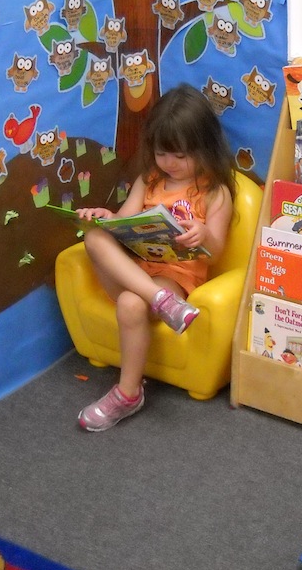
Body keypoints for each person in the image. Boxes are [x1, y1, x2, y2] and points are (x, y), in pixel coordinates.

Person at [74, 83, 236, 432]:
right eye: (163, 154)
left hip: (174, 281)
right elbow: (124, 222)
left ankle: (128, 394)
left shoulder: (215, 193)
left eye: (181, 156)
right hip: (136, 272)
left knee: (132, 305)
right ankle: (157, 301)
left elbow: (217, 249)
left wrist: (204, 235)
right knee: (95, 236)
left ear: (204, 147)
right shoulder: (148, 181)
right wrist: (106, 217)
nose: (170, 164)